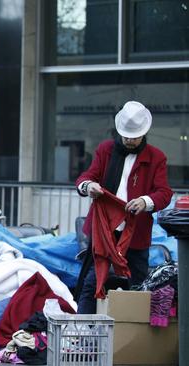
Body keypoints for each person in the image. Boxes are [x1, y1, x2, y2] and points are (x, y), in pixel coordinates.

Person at [75, 101, 172, 314]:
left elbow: (164, 193)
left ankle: (134, 334)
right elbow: (86, 177)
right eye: (126, 136)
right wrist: (88, 186)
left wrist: (145, 201)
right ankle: (80, 335)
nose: (129, 140)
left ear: (144, 133)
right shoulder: (105, 150)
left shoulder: (157, 157)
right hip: (103, 230)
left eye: (134, 136)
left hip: (136, 232)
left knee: (138, 285)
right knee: (92, 281)